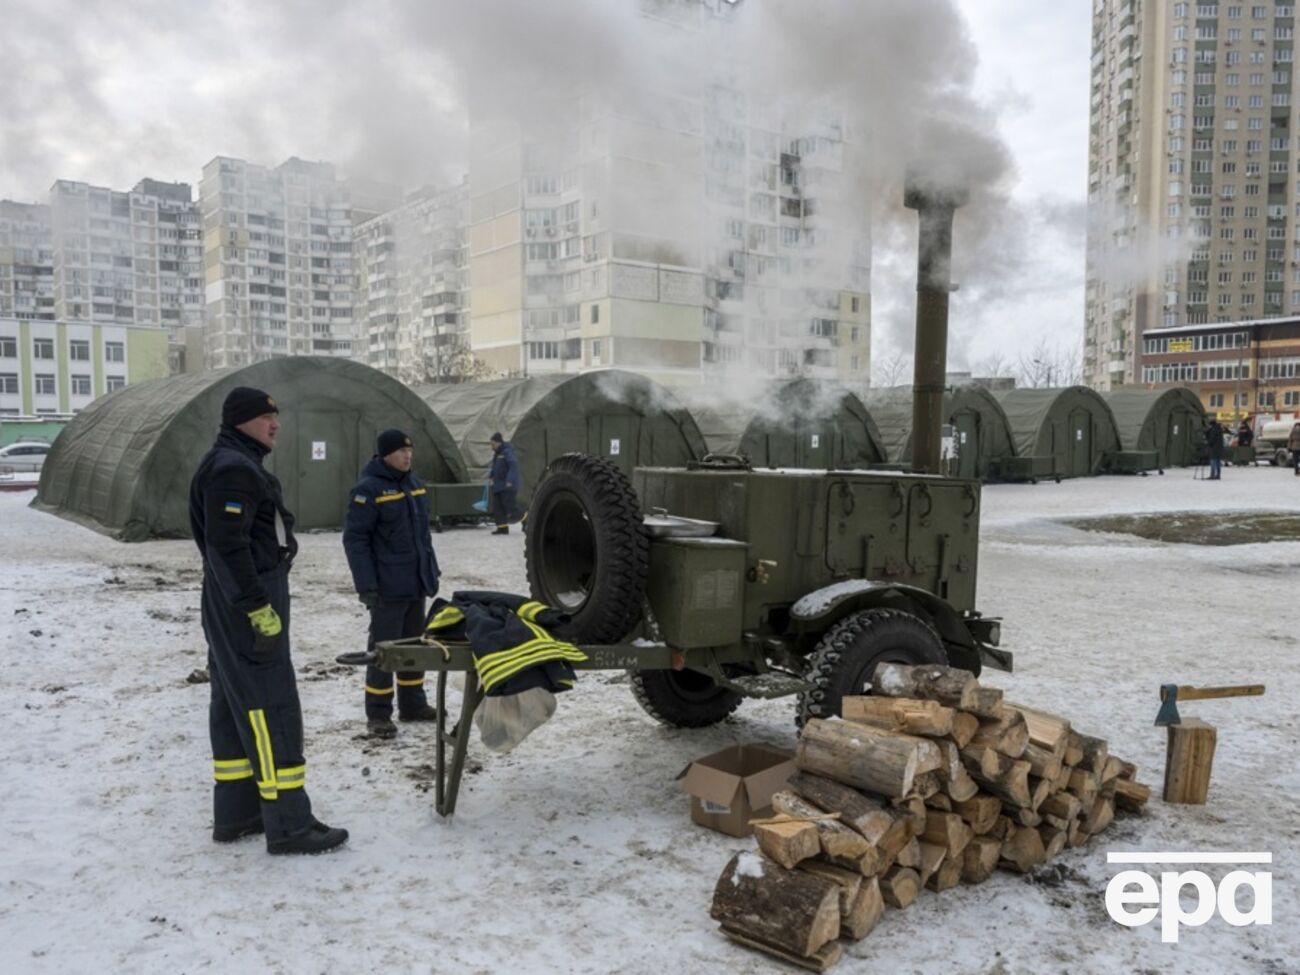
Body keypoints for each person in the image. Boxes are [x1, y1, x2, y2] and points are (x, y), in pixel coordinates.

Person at [189, 387, 348, 855]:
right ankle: (290, 823)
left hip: (232, 598)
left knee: (232, 702)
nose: (275, 424)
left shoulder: (232, 461)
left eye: (276, 416)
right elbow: (226, 544)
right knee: (270, 706)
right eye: (265, 417)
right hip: (248, 600)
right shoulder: (233, 469)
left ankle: (239, 812)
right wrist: (256, 605)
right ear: (241, 421)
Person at [342, 429, 441, 738]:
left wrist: (431, 571)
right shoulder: (368, 490)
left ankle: (412, 705)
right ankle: (379, 713)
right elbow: (355, 541)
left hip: (416, 582)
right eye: (401, 452)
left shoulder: (415, 485)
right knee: (383, 651)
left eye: (410, 451)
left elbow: (422, 537)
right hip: (387, 587)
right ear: (385, 455)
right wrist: (366, 586)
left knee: (414, 646)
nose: (408, 456)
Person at [488, 431, 525, 536]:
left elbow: (513, 466)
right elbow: (495, 467)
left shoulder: (507, 452)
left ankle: (526, 518)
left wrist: (510, 480)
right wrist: (491, 475)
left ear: (499, 442)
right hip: (498, 485)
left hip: (508, 485)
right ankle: (502, 528)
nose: (492, 447)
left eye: (493, 444)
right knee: (498, 507)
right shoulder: (498, 454)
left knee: (510, 507)